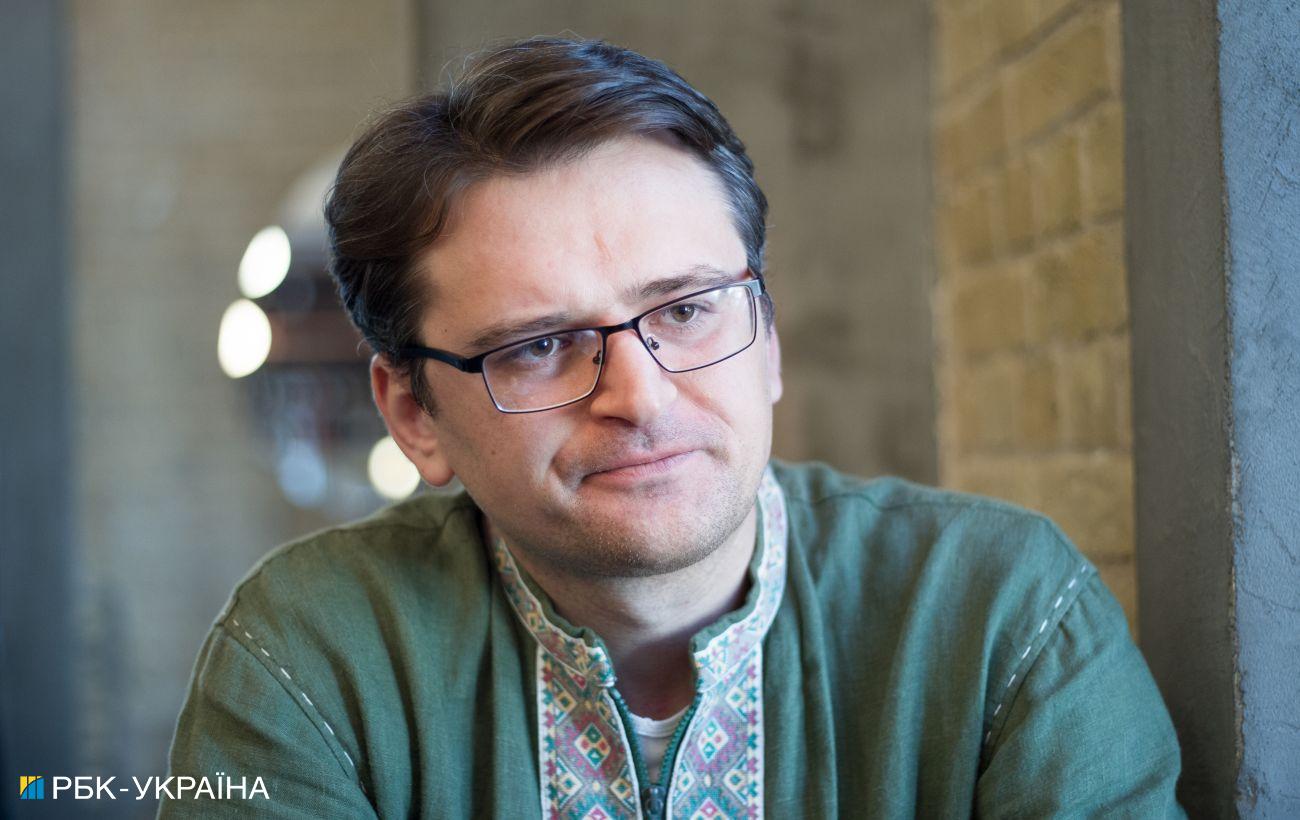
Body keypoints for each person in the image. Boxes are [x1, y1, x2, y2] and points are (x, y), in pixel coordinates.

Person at [163, 36, 1184, 818]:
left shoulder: (1005, 617)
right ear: (412, 416)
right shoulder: (310, 659)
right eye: (539, 345)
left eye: (688, 309)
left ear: (769, 338)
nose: (641, 397)